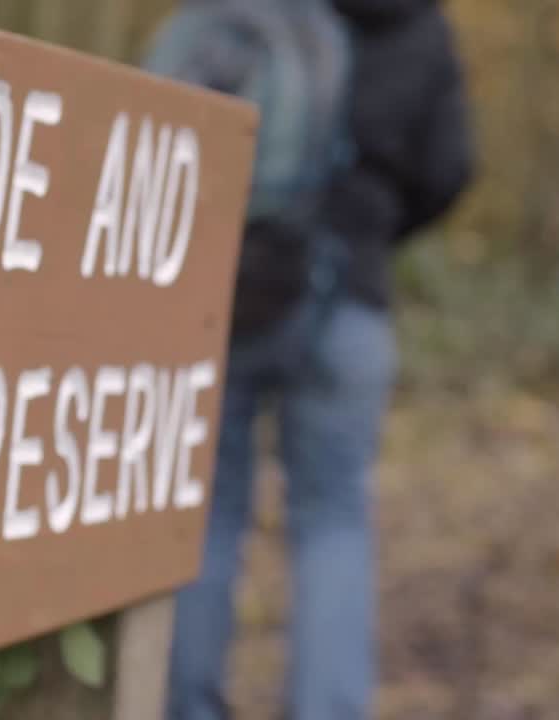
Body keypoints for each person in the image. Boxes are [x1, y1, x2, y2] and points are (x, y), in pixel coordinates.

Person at [164, 0, 475, 718]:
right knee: (333, 516)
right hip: (353, 303)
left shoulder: (266, 10)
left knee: (206, 510)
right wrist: (376, 223)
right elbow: (451, 168)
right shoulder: (421, 28)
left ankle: (185, 703)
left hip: (236, 290)